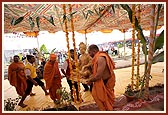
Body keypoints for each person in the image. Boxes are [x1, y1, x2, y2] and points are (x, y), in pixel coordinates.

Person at [87, 44, 116, 111]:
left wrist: (90, 80)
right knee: (97, 96)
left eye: (89, 52)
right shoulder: (96, 58)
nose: (89, 54)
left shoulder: (101, 58)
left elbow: (98, 75)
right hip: (100, 82)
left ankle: (107, 110)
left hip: (106, 82)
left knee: (105, 100)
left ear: (94, 51)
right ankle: (103, 109)